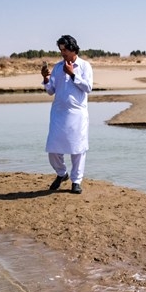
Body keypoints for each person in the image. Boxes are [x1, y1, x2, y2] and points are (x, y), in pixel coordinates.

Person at [41, 35, 93, 195]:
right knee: (53, 150)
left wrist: (72, 74)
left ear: (73, 48)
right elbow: (51, 91)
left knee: (77, 149)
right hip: (58, 113)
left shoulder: (84, 66)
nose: (62, 53)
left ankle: (76, 181)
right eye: (60, 50)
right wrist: (45, 78)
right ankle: (62, 174)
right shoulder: (57, 67)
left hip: (77, 114)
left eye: (64, 49)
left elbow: (88, 88)